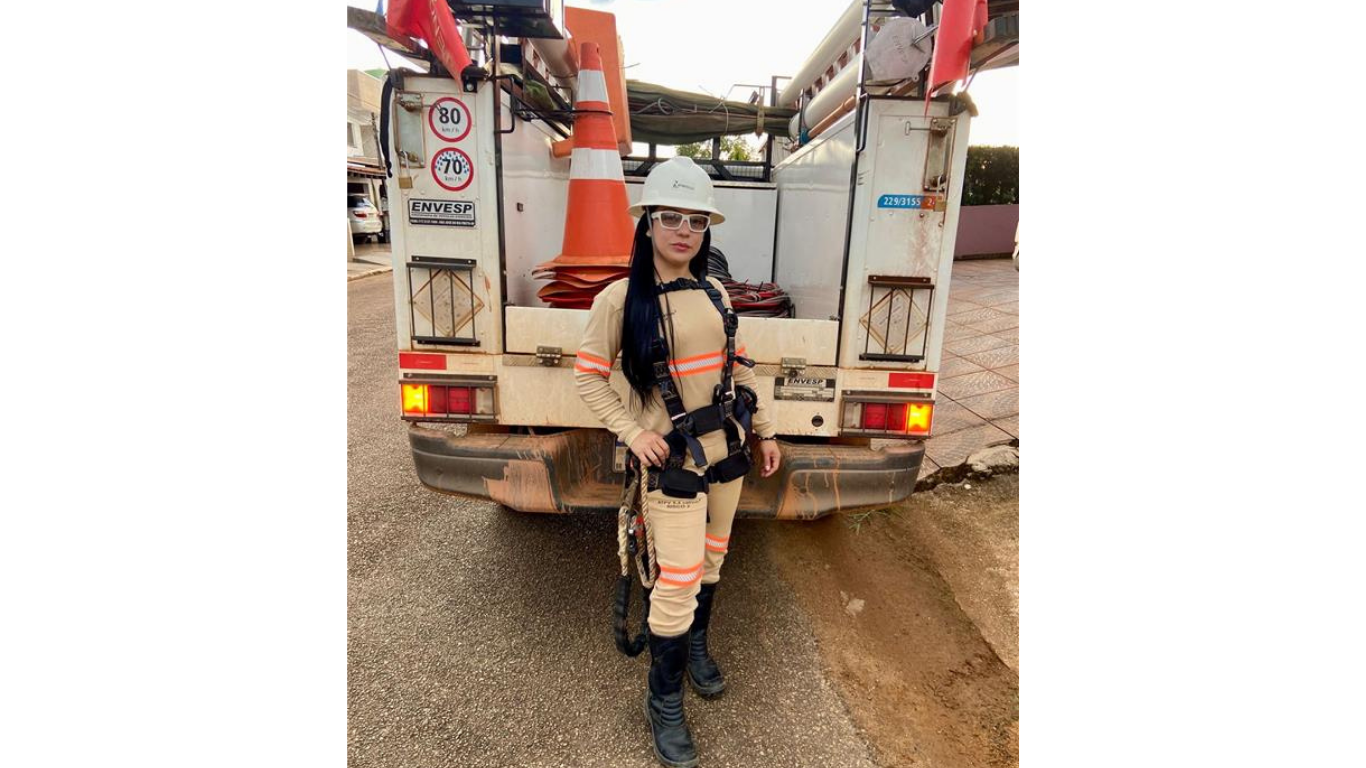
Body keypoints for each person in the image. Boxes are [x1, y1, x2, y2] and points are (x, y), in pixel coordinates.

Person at [574, 156, 781, 768]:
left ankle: (694, 648)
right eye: (670, 217)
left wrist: (766, 431)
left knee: (713, 559)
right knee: (679, 577)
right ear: (647, 223)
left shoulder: (714, 292)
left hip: (727, 453)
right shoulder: (619, 300)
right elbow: (587, 377)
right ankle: (662, 701)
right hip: (673, 464)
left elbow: (739, 367)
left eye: (696, 220)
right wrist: (632, 432)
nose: (683, 230)